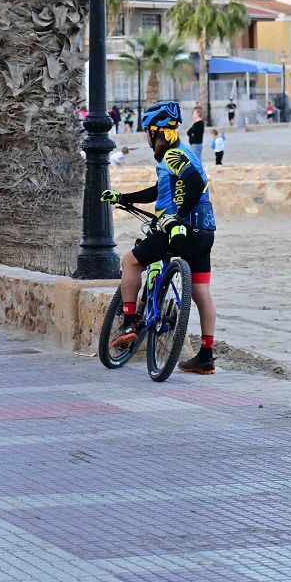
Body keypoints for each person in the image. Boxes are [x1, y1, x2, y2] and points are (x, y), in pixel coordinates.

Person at [100, 100, 218, 375]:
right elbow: (159, 190)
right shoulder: (186, 154)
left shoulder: (173, 156)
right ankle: (206, 355)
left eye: (148, 133)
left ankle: (130, 320)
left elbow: (195, 184)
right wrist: (124, 197)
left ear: (156, 132)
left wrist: (177, 218)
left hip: (179, 230)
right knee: (201, 291)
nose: (148, 139)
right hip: (205, 232)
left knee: (131, 262)